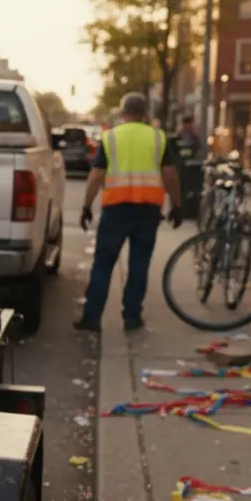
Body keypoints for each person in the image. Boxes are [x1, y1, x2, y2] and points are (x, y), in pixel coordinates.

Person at [74, 93, 183, 333]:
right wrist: (176, 205)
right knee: (139, 266)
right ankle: (132, 317)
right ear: (144, 113)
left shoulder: (111, 137)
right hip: (148, 210)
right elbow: (170, 174)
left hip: (116, 209)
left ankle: (92, 318)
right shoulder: (157, 137)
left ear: (123, 113)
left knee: (103, 264)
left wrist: (86, 206)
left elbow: (96, 175)